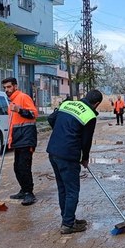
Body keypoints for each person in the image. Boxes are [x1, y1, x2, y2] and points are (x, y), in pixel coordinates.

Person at [47, 89, 103, 234]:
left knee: (62, 188)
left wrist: (62, 132)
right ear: (96, 104)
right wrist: (85, 158)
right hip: (68, 155)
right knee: (72, 190)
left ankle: (68, 218)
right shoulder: (90, 115)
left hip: (53, 151)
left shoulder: (67, 104)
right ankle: (68, 224)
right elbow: (86, 140)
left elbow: (51, 119)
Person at [2, 77, 38, 206]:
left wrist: (20, 110)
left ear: (15, 86)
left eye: (9, 87)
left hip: (26, 138)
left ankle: (29, 193)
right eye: (5, 88)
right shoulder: (12, 102)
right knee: (17, 167)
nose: (7, 90)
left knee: (24, 167)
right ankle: (23, 190)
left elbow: (34, 114)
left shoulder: (23, 97)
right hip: (18, 138)